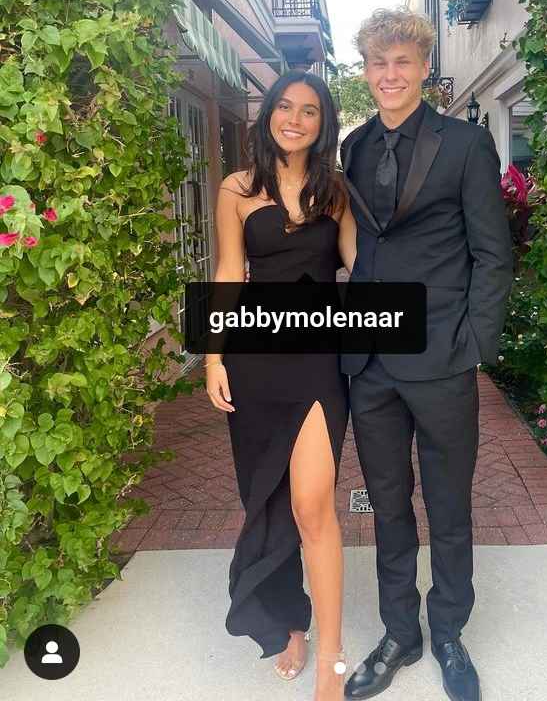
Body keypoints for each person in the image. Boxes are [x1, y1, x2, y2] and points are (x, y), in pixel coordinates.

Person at [340, 9, 514, 701]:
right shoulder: (352, 147)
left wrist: (474, 343)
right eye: (379, 63)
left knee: (448, 505)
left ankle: (447, 631)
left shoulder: (465, 145)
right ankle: (399, 634)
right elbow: (359, 244)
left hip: (442, 357)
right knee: (387, 505)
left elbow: (492, 255)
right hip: (370, 362)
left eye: (403, 62)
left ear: (423, 68)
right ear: (367, 71)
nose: (390, 75)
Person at [205, 70, 356, 701]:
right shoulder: (237, 189)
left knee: (313, 504)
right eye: (286, 107)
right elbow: (228, 271)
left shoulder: (335, 191)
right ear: (268, 113)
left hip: (318, 358)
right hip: (254, 356)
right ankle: (291, 624)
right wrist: (213, 357)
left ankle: (332, 654)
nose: (295, 118)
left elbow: (359, 263)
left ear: (324, 124)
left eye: (311, 111)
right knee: (266, 501)